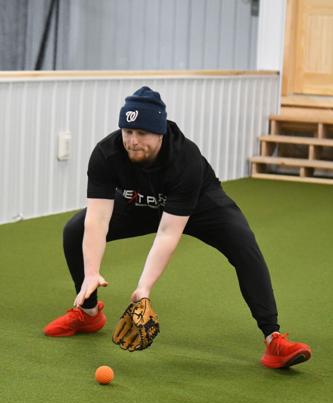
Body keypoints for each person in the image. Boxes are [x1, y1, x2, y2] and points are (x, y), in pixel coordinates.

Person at [43, 86, 312, 369]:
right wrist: (92, 272)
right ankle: (88, 313)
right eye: (127, 132)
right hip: (140, 201)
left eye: (142, 134)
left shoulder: (185, 159)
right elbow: (97, 219)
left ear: (160, 132)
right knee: (75, 230)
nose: (132, 141)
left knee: (244, 244)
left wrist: (144, 287)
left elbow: (169, 232)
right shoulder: (106, 153)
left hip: (198, 205)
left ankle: (273, 339)